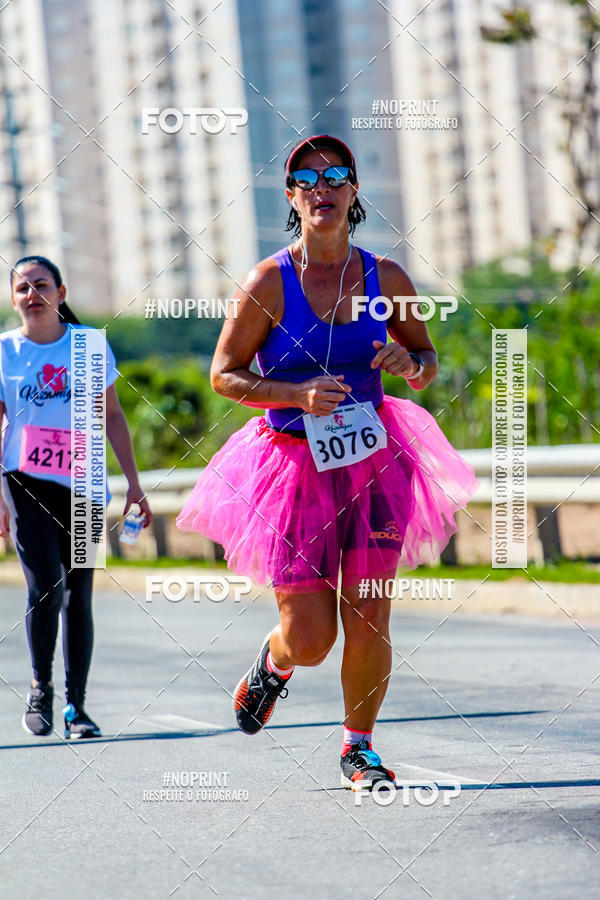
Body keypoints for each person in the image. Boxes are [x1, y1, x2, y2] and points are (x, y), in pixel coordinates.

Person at [177, 135, 478, 790]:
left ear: (353, 191)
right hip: (291, 467)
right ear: (292, 197)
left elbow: (426, 360)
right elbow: (223, 375)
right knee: (312, 638)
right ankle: (275, 662)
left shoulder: (386, 279)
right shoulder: (268, 281)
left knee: (370, 614)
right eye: (307, 179)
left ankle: (357, 749)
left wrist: (409, 363)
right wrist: (294, 395)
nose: (323, 188)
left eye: (336, 175)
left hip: (375, 460)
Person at [0, 255, 152, 739]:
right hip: (24, 480)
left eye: (41, 285)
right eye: (22, 288)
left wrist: (134, 484)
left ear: (60, 293)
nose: (32, 294)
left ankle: (77, 707)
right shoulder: (5, 351)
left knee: (78, 594)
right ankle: (40, 688)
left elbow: (113, 416)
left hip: (84, 481)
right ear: (13, 299)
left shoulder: (87, 345)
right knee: (46, 583)